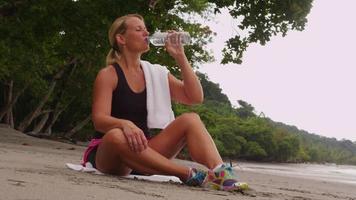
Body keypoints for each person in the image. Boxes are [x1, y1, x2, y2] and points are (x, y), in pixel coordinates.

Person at [83, 13, 248, 191]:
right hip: (113, 155)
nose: (146, 32)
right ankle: (186, 174)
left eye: (146, 29)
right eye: (139, 29)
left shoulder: (155, 73)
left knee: (190, 119)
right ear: (121, 38)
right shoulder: (108, 75)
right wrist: (124, 124)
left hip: (144, 151)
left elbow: (194, 97)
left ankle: (220, 174)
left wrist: (180, 57)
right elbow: (99, 120)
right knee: (116, 135)